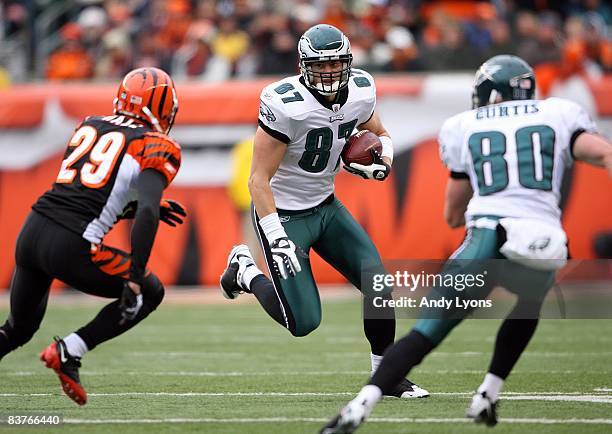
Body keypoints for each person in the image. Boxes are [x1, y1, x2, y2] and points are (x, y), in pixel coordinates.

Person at [321, 54, 612, 433]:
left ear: (489, 95)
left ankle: (360, 407)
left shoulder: (464, 124)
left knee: (429, 330)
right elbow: (602, 152)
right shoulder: (557, 113)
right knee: (529, 304)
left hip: (486, 235)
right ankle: (488, 393)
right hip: (540, 239)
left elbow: (453, 213)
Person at [220, 24, 428, 399]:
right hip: (283, 214)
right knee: (303, 323)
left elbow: (380, 134)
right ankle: (246, 271)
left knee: (378, 284)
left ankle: (386, 377)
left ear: (347, 62)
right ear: (303, 66)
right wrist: (276, 236)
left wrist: (385, 160)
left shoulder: (361, 90)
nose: (330, 72)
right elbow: (257, 181)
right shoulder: (286, 104)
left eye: (336, 64)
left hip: (326, 207)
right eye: (321, 65)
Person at [0, 67, 186, 406]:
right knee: (150, 290)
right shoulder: (156, 144)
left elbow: (86, 193)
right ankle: (70, 350)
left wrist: (138, 209)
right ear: (160, 109)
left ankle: (65, 350)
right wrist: (134, 277)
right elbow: (146, 209)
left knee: (16, 330)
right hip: (72, 245)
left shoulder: (90, 124)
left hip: (32, 231)